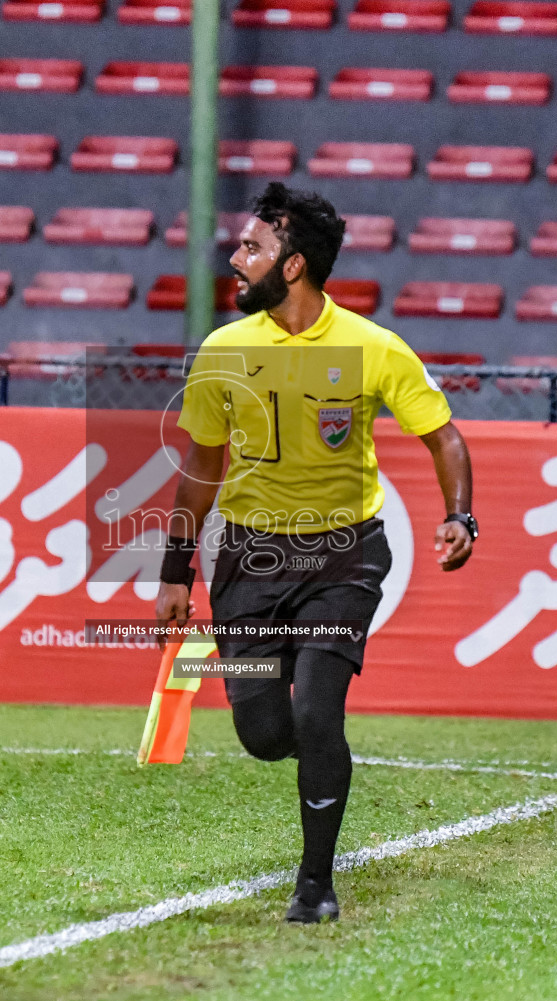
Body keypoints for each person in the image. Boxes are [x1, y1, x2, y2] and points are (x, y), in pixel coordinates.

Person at [155, 182, 476, 924]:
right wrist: (177, 570)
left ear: (292, 265)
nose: (235, 260)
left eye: (252, 248)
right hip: (245, 556)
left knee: (321, 713)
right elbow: (202, 465)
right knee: (265, 735)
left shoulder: (373, 348)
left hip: (345, 555)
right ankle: (317, 755)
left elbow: (444, 436)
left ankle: (315, 884)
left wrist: (462, 517)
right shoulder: (223, 350)